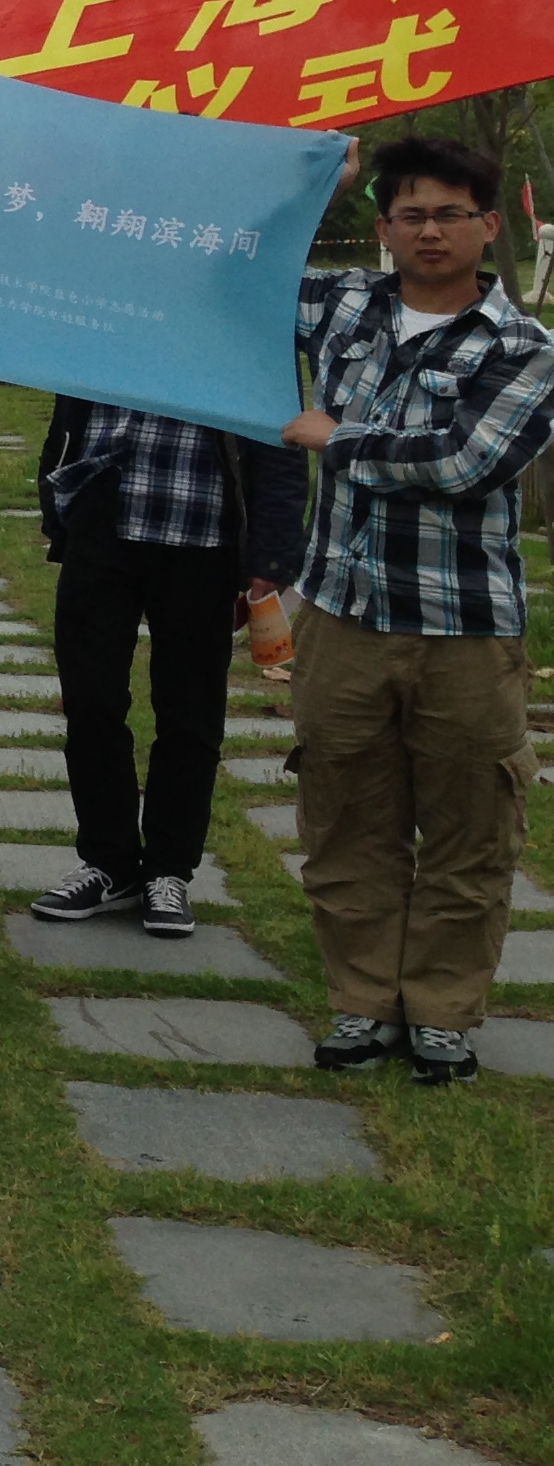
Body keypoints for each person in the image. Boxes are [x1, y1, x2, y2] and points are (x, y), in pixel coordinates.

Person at [286, 136, 554, 1087]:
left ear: (488, 224)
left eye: (450, 214)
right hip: (340, 616)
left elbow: (465, 462)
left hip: (465, 628)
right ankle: (362, 1003)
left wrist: (337, 438)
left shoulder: (523, 348)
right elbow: (239, 275)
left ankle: (441, 1014)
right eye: (411, 214)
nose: (430, 231)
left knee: (470, 828)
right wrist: (316, 188)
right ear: (386, 226)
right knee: (345, 817)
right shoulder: (345, 304)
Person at [30, 393, 305, 938]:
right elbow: (68, 408)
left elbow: (280, 443)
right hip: (103, 521)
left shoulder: (244, 342)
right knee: (90, 701)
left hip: (205, 534)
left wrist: (271, 555)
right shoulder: (111, 331)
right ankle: (108, 863)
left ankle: (169, 870)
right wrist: (58, 497)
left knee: (190, 713)